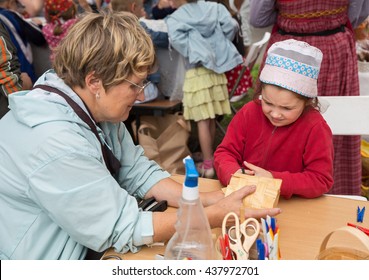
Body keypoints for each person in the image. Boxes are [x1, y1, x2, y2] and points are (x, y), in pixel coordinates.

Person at [0, 10, 280, 260]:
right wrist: (208, 217)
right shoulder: (54, 142)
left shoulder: (87, 103)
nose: (142, 94)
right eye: (135, 84)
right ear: (94, 80)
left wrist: (208, 199)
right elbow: (120, 227)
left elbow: (136, 172)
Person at [249, 0, 369, 196]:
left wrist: (293, 15)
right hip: (335, 48)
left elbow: (258, 18)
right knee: (334, 128)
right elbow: (357, 13)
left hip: (287, 51)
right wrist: (328, 17)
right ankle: (332, 191)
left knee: (276, 116)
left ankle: (268, 187)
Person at [214, 39, 334, 199]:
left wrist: (274, 180)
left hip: (290, 206)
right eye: (268, 103)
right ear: (260, 92)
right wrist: (234, 174)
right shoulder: (249, 112)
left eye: (287, 108)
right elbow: (225, 152)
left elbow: (320, 179)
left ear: (306, 102)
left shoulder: (315, 127)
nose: (276, 114)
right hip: (243, 197)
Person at [165, 0, 243, 178]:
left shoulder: (176, 17)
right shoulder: (215, 8)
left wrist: (193, 48)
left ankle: (208, 165)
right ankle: (212, 157)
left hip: (197, 71)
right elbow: (231, 26)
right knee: (211, 118)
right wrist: (219, 43)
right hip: (216, 70)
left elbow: (177, 41)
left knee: (201, 121)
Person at [0, 0, 47, 84]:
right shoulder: (9, 15)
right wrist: (36, 24)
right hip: (23, 71)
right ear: (10, 3)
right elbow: (39, 37)